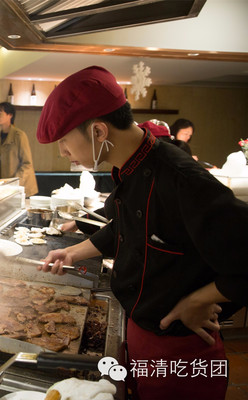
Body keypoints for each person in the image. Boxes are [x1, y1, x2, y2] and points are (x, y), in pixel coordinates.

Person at [35, 66, 248, 400]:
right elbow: (129, 229)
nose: (63, 151)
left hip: (183, 354)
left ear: (99, 132)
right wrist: (74, 252)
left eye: (64, 141)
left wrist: (198, 300)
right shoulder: (130, 166)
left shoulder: (183, 179)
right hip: (140, 340)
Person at [0, 102, 38, 197]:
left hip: (21, 188)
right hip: (4, 188)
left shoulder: (19, 135)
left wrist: (14, 183)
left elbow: (27, 164)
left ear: (10, 115)